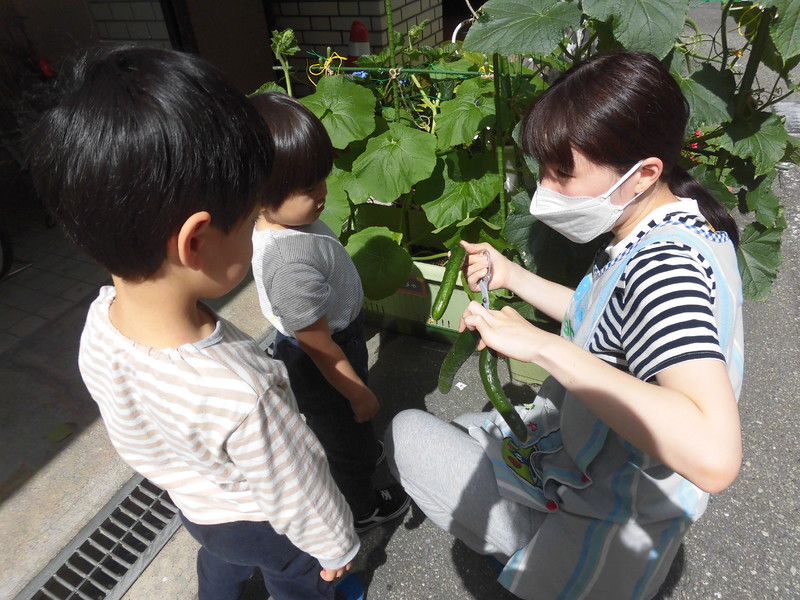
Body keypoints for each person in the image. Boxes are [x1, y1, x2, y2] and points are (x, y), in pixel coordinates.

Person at [386, 50, 744, 599]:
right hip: (623, 474)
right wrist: (514, 278)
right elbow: (603, 311)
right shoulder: (678, 225)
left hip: (607, 504)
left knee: (406, 433)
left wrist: (542, 348)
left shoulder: (663, 270)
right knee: (466, 429)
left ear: (643, 172)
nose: (545, 191)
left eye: (562, 172)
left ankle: (530, 542)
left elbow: (715, 457)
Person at [27, 46, 361, 600]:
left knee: (222, 557)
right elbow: (299, 491)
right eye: (252, 216)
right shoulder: (243, 391)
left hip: (194, 506)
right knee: (298, 576)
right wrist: (338, 548)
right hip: (260, 518)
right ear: (197, 241)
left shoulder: (99, 323)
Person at [248, 91, 410, 533]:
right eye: (307, 188)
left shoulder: (288, 224)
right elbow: (317, 344)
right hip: (324, 353)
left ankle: (358, 446)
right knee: (342, 432)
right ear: (258, 195)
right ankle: (360, 507)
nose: (322, 193)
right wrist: (357, 390)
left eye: (322, 179)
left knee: (345, 426)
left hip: (330, 336)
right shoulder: (289, 262)